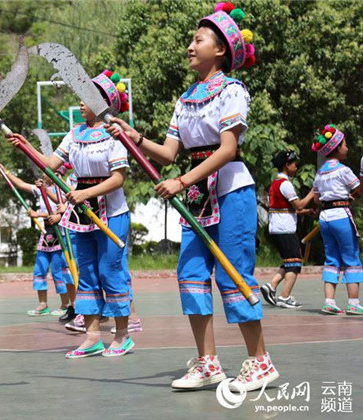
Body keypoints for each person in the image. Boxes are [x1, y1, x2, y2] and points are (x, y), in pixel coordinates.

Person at [107, 3, 279, 391]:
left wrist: (181, 182)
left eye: (198, 40)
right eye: (191, 40)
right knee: (191, 276)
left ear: (220, 49)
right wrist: (134, 137)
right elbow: (169, 153)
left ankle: (260, 361)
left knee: (234, 274)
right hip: (198, 197)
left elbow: (228, 150)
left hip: (230, 190)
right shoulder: (185, 98)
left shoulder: (233, 90)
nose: (190, 46)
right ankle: (207, 363)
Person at [9, 69, 135, 358]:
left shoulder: (114, 134)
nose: (80, 101)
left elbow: (118, 179)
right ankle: (92, 338)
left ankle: (123, 335)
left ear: (104, 102)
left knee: (110, 272)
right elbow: (50, 164)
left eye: (87, 97)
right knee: (86, 274)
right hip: (81, 216)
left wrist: (84, 194)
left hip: (111, 214)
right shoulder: (75, 133)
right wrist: (25, 146)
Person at [0, 163, 73, 317]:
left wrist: (38, 214)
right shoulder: (40, 189)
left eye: (46, 171)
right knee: (40, 269)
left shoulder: (63, 190)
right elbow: (21, 184)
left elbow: (62, 211)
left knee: (58, 271)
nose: (43, 174)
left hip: (61, 233)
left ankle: (65, 304)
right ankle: (43, 304)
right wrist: (6, 172)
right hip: (46, 234)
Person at [311, 124, 362, 315]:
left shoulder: (320, 172)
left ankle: (329, 301)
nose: (347, 148)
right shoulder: (343, 170)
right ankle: (353, 302)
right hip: (341, 215)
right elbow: (358, 188)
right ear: (337, 148)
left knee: (331, 258)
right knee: (351, 256)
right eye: (345, 144)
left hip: (325, 218)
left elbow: (317, 199)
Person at [261, 150, 315, 308]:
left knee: (289, 260)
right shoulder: (285, 184)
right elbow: (298, 205)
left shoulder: (275, 183)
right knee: (295, 263)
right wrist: (312, 193)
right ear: (287, 165)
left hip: (277, 227)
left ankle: (271, 286)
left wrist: (306, 212)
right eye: (294, 165)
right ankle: (284, 297)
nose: (296, 168)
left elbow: (288, 209)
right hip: (285, 229)